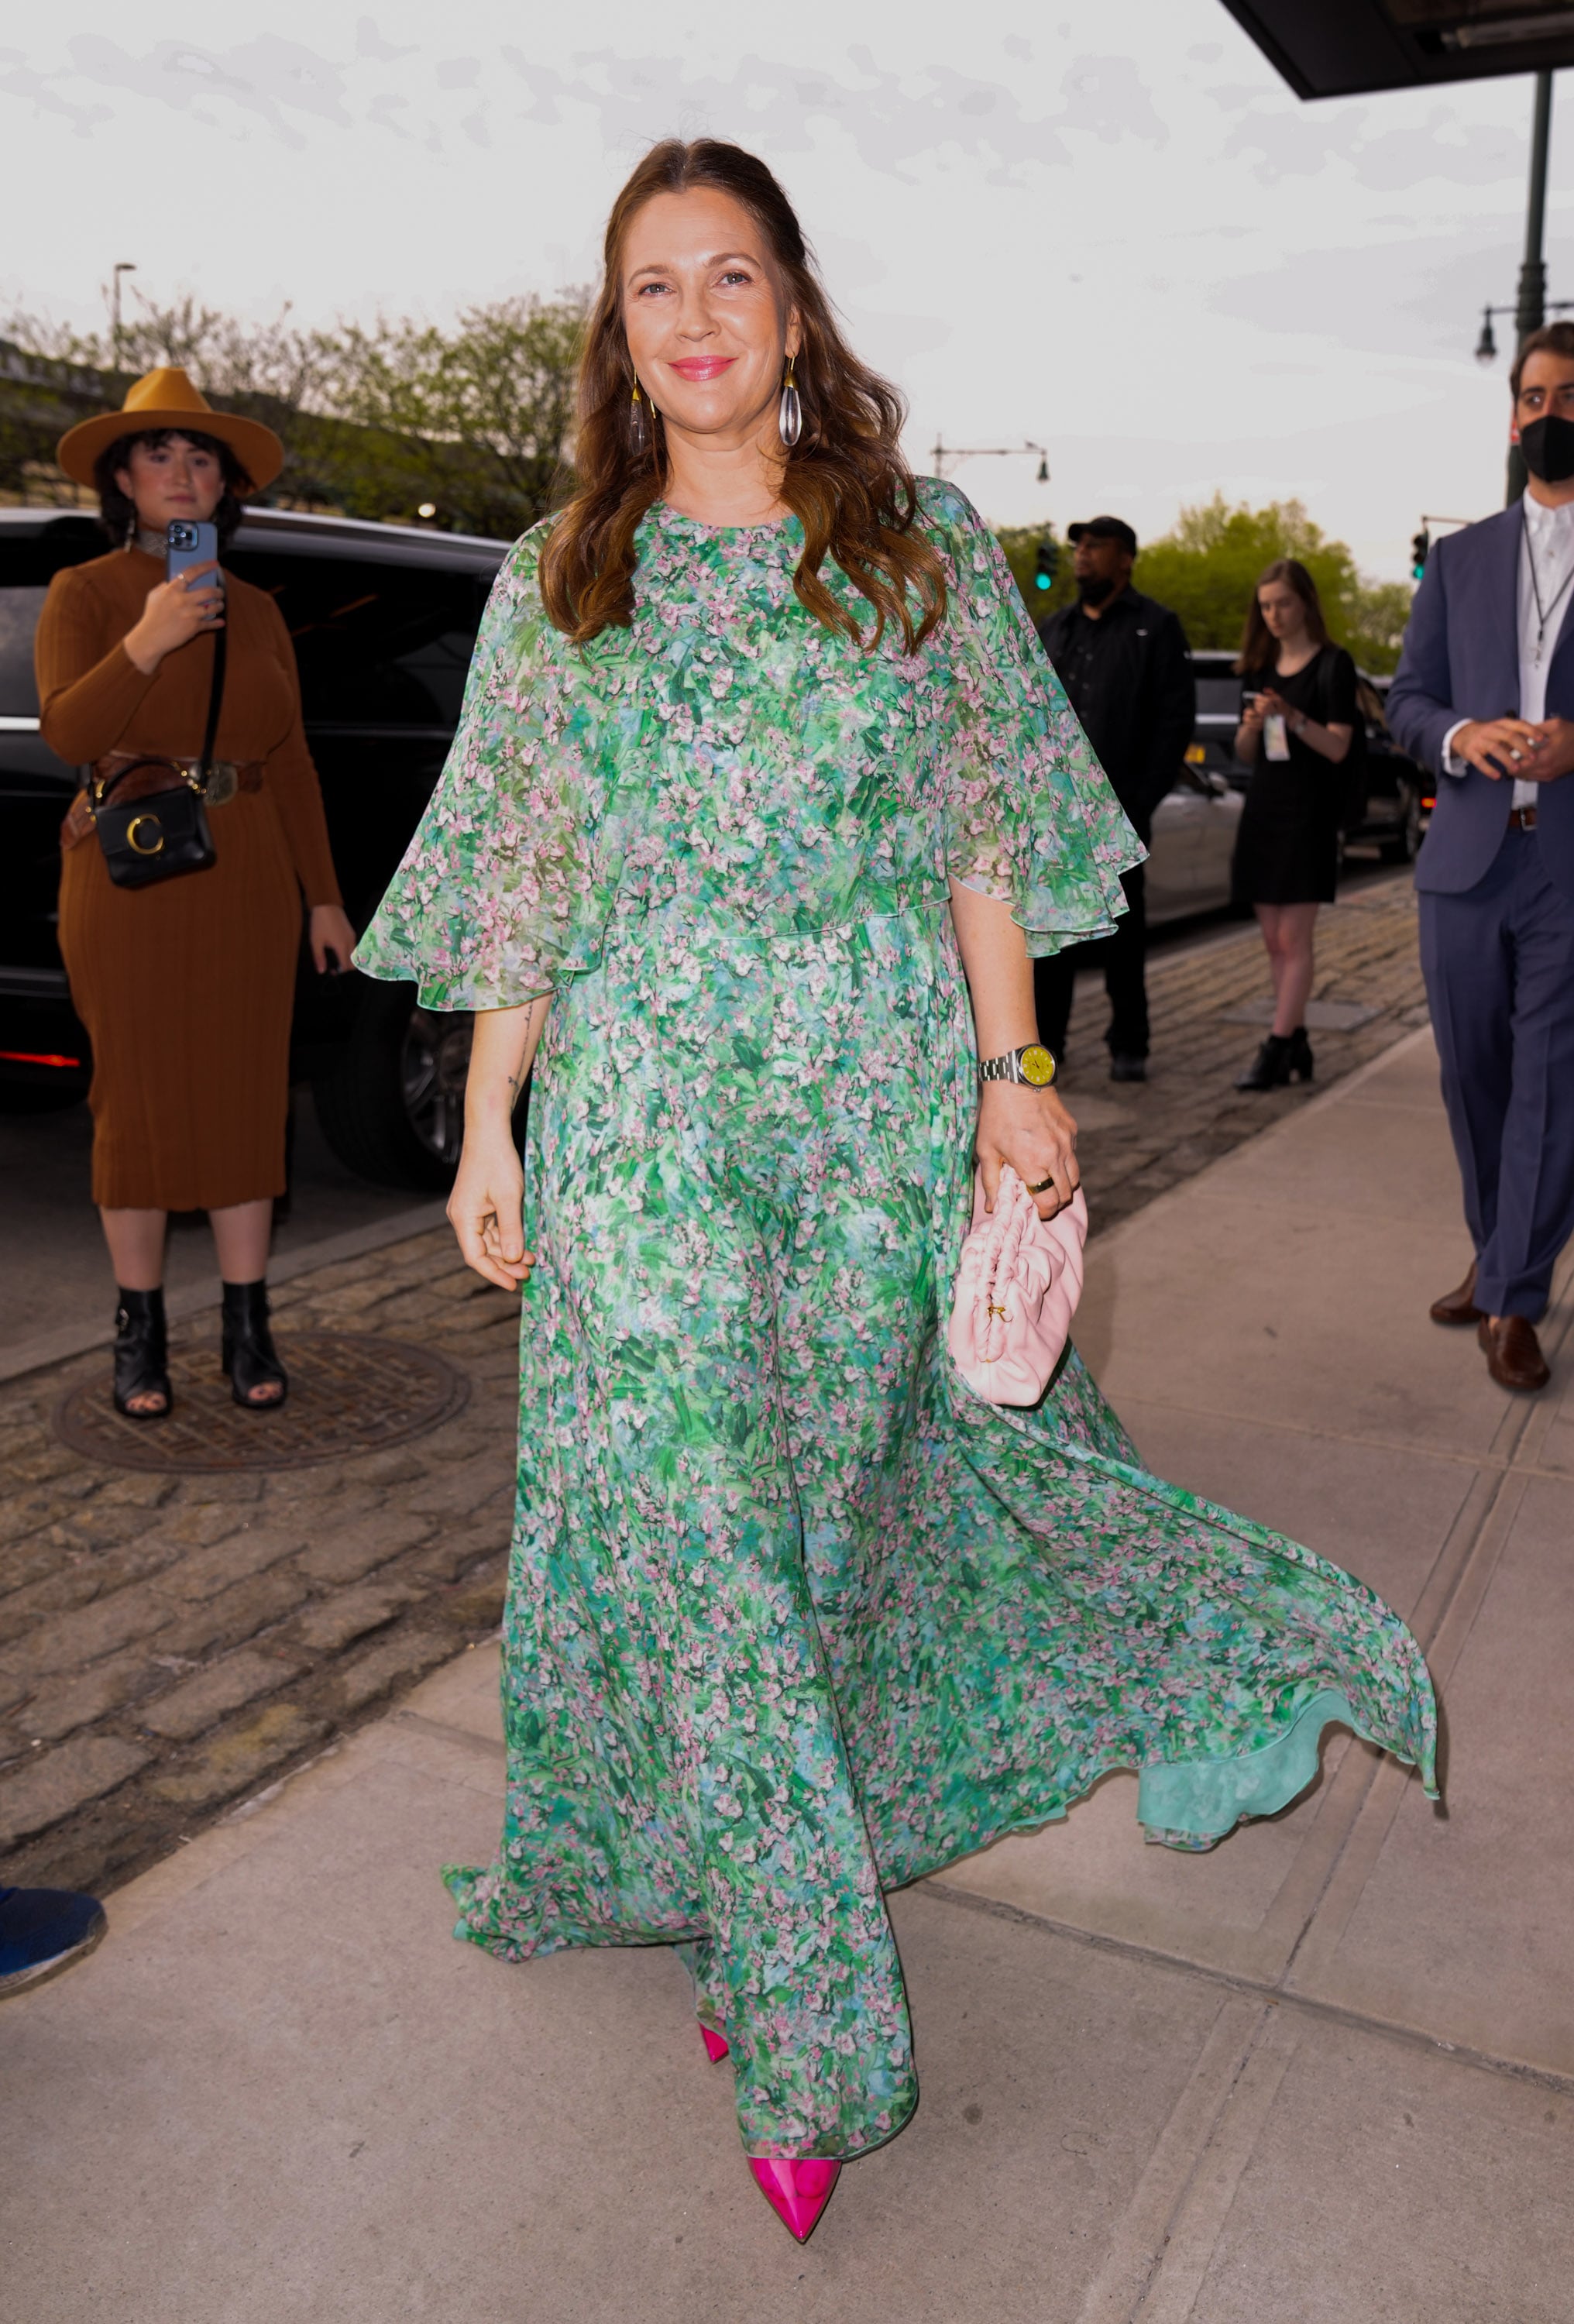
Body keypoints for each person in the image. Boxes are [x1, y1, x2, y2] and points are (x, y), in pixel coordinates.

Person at [357, 137, 1437, 2244]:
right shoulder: (564, 568)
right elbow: (526, 879)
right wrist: (490, 1122)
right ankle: (807, 2020)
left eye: (730, 278)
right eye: (654, 286)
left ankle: (738, 1866)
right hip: (645, 1111)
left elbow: (980, 847)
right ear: (618, 327)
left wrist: (1013, 1074)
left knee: (823, 1528)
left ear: (792, 308)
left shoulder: (916, 546)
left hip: (864, 1109)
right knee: (694, 1521)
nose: (693, 320)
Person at [39, 370, 356, 1420]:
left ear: (227, 487)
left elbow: (294, 759)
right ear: (120, 479)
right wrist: (150, 635)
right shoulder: (83, 594)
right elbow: (70, 737)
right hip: (127, 877)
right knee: (131, 1103)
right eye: (160, 455)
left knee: (242, 1098)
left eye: (202, 457)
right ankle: (139, 1336)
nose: (184, 473)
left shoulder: (260, 608)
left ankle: (246, 1324)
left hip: (248, 872)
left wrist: (323, 897)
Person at [1387, 321, 1574, 1395]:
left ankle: (1514, 1296)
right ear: (1515, 417)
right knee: (1475, 1081)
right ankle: (1500, 1244)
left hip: (1567, 869)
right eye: (1536, 398)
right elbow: (1408, 701)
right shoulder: (1459, 560)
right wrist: (1465, 736)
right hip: (1465, 860)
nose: (1552, 416)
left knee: (1553, 1083)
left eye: (1570, 395)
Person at [1033, 515, 1194, 1082]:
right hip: (1053, 818)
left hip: (1118, 817)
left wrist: (1138, 806)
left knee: (1123, 942)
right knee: (1051, 943)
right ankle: (1046, 1049)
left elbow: (1173, 726)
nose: (1082, 555)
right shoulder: (1056, 629)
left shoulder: (1156, 628)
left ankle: (1130, 1044)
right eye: (1079, 546)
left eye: (1095, 547)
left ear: (1125, 558)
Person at [1229, 560, 1359, 1091]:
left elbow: (1338, 746)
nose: (1274, 614)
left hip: (1309, 812)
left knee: (1294, 936)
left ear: (1304, 601)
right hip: (1264, 807)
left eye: (1282, 602)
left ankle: (1278, 1046)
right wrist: (1256, 724)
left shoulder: (1334, 665)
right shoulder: (1260, 666)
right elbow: (1244, 753)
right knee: (1272, 941)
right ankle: (1298, 1038)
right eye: (1265, 605)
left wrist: (1293, 716)